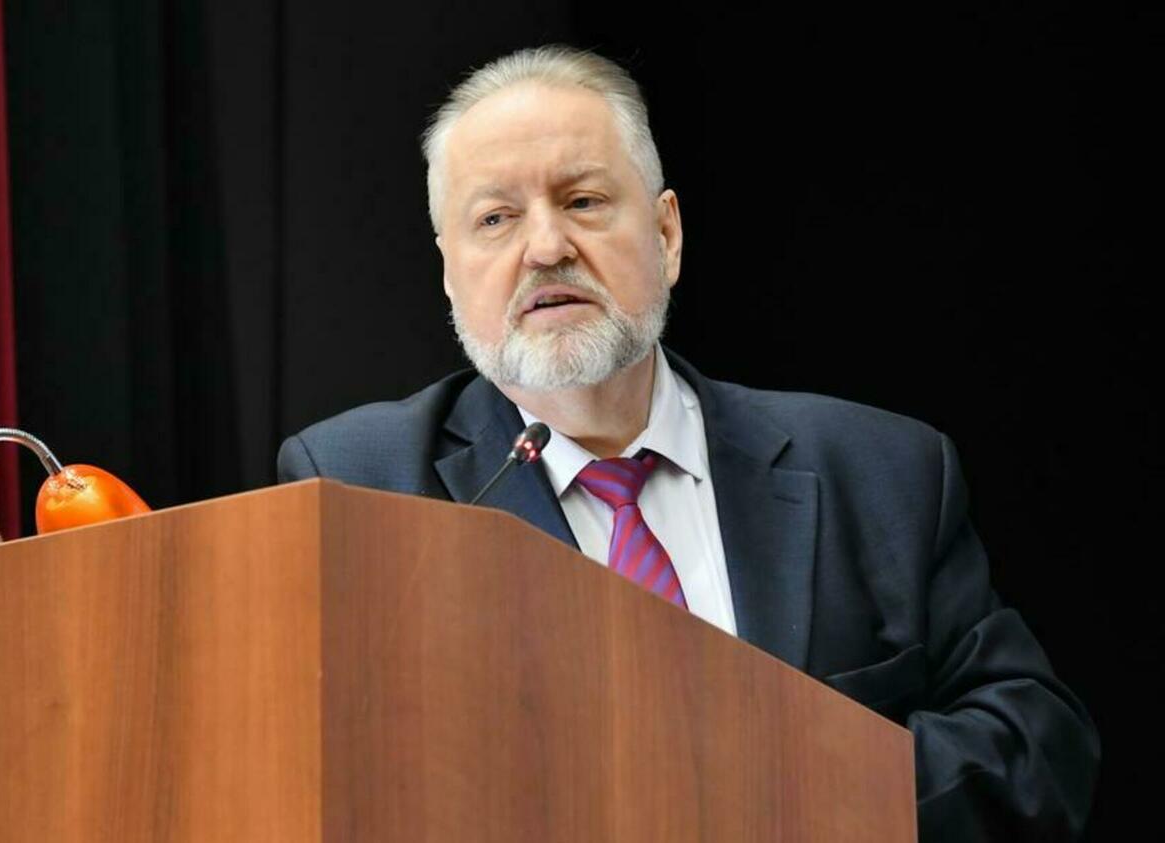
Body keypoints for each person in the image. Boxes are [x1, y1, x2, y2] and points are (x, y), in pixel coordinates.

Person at [278, 45, 1099, 841]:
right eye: (496, 219)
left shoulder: (879, 469)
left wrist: (780, 786)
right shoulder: (358, 484)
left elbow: (1036, 746)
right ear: (450, 273)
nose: (547, 247)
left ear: (666, 234)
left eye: (583, 201)